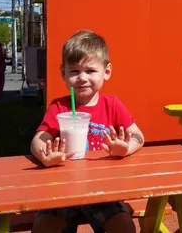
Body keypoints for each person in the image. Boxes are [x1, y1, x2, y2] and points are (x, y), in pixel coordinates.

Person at [30, 30, 144, 233]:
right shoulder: (59, 107)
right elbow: (37, 140)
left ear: (106, 72)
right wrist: (46, 156)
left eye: (90, 71)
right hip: (62, 189)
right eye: (74, 71)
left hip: (104, 190)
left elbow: (139, 136)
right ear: (63, 73)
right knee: (43, 227)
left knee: (124, 228)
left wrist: (126, 148)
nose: (82, 78)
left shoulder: (113, 105)